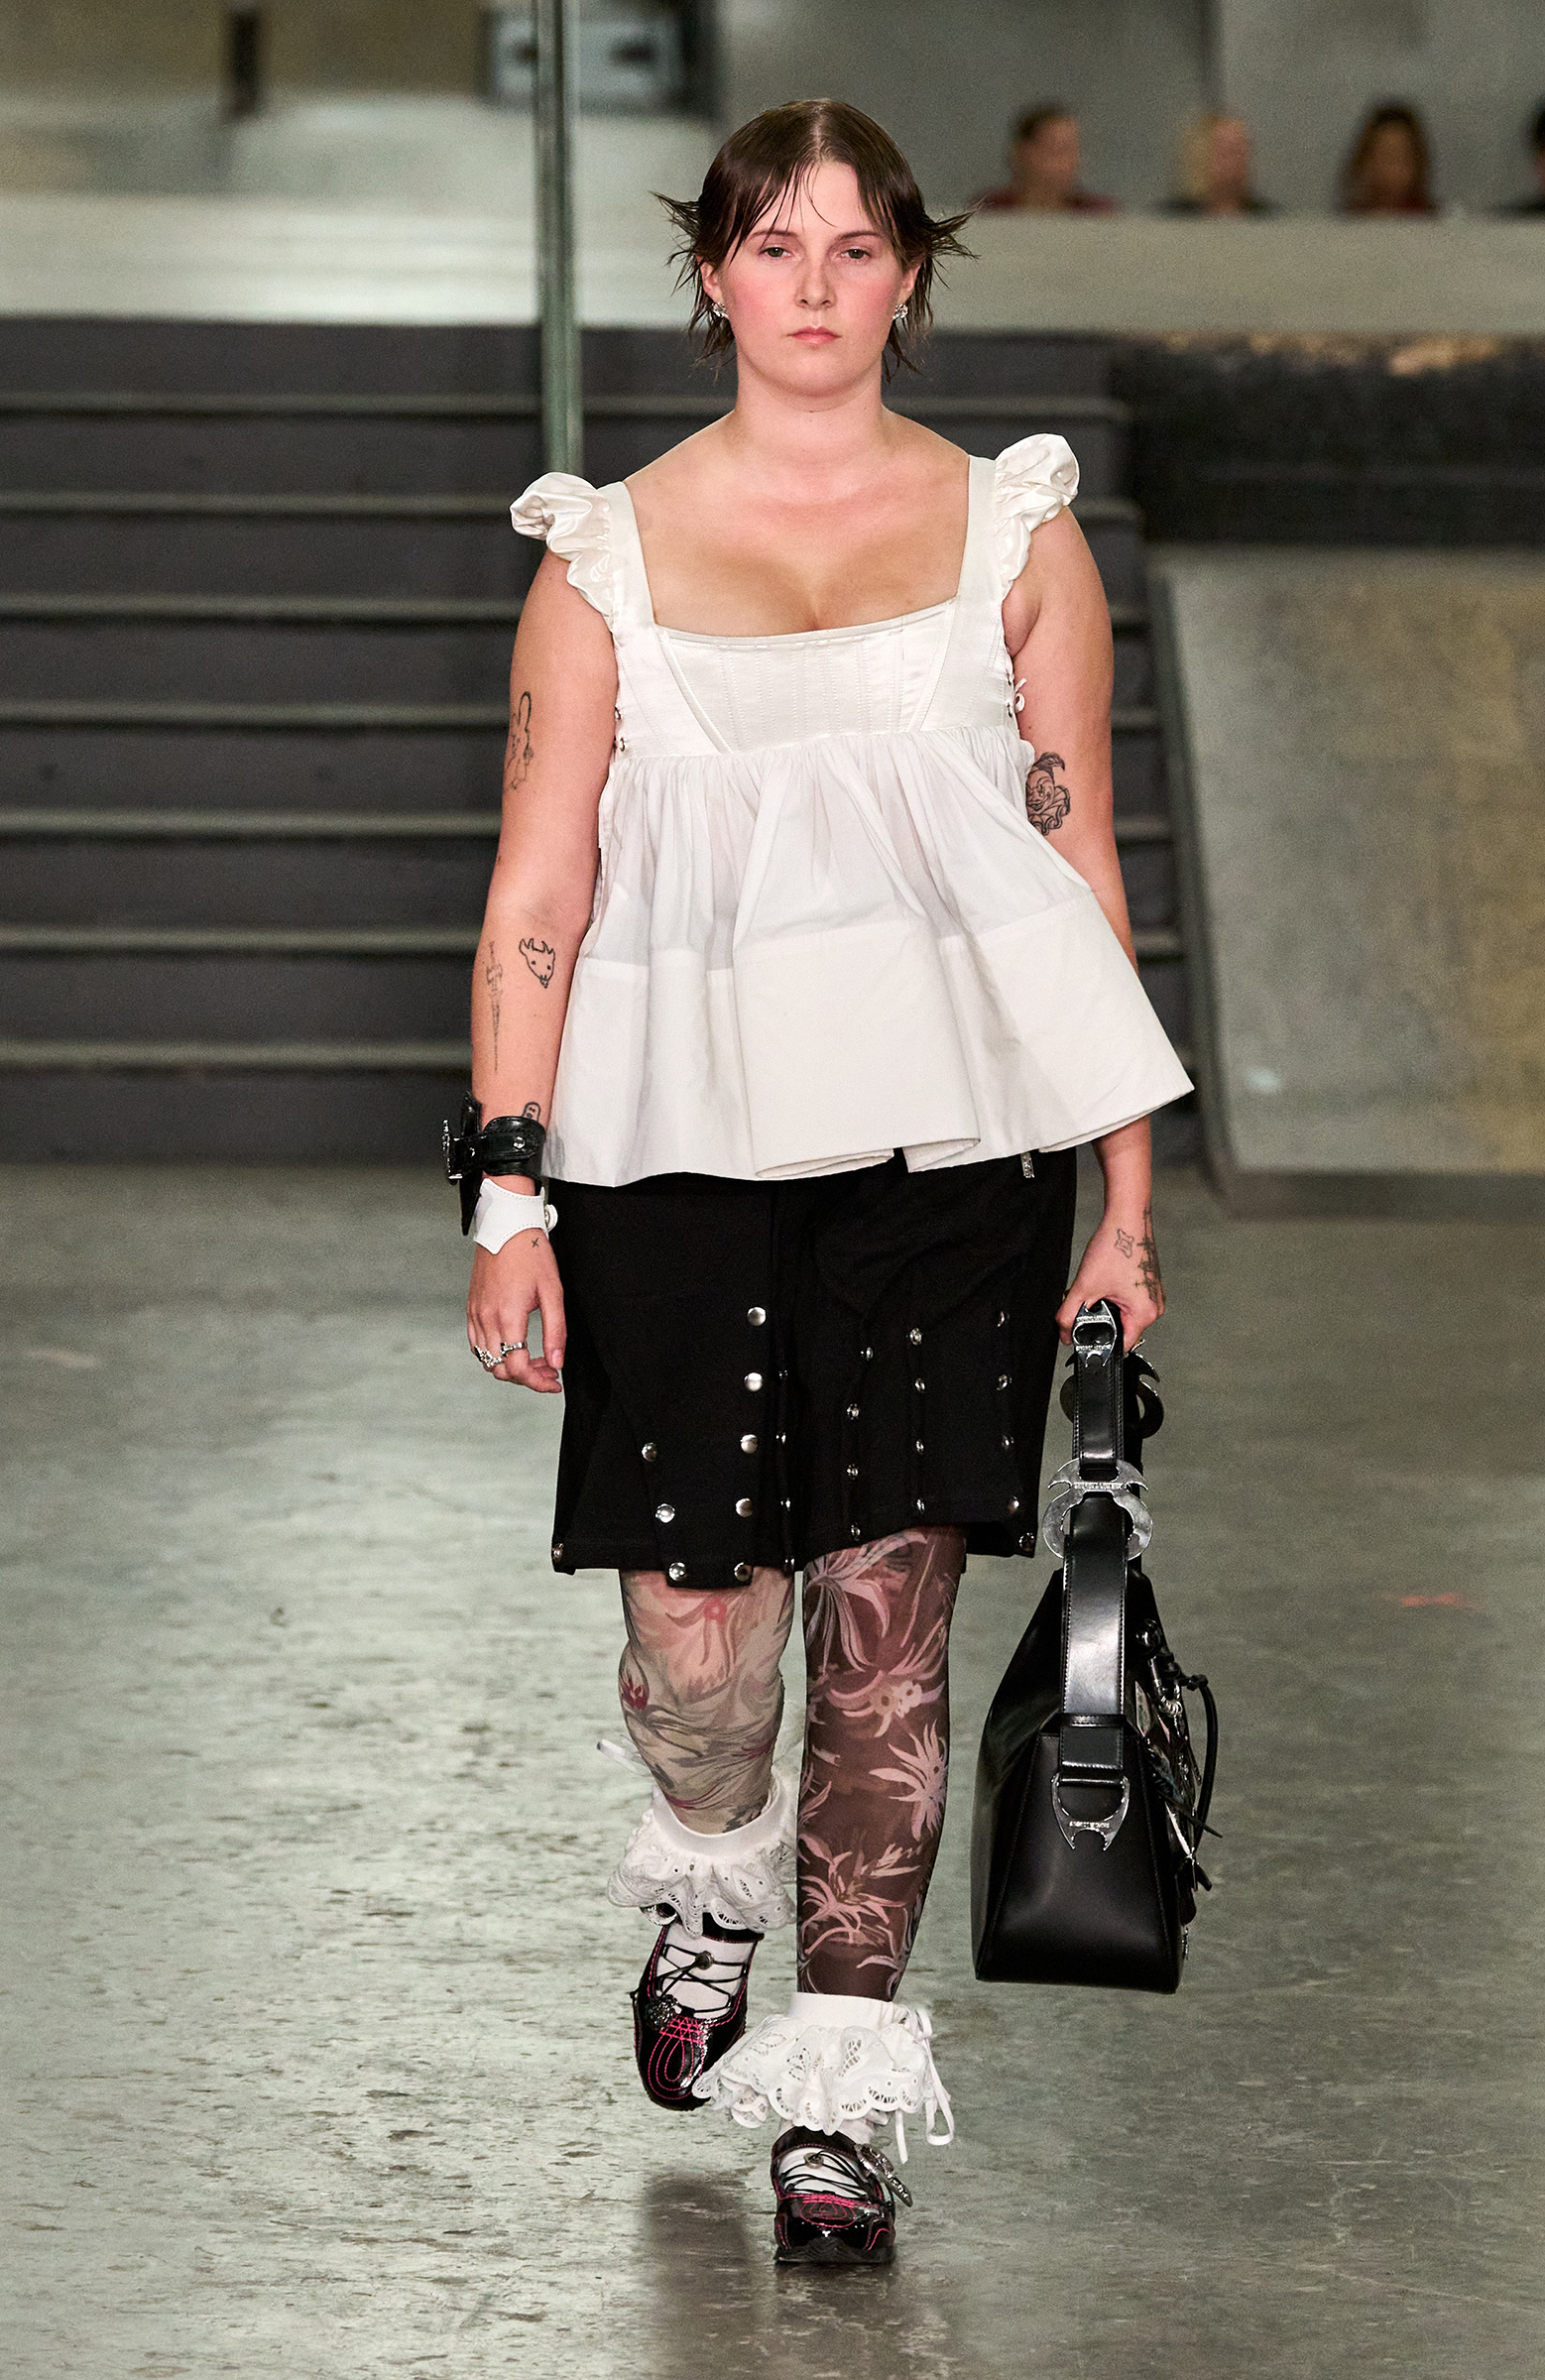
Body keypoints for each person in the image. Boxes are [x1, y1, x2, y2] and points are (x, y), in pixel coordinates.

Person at [454, 96, 1189, 2268]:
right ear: (710, 275)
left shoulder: (1009, 536)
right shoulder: (603, 557)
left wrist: (1127, 1208)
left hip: (948, 1153)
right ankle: (711, 1872)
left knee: (887, 1630)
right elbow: (537, 887)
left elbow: (1075, 872)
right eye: (771, 244)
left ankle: (845, 2093)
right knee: (703, 1654)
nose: (811, 283)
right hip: (669, 1156)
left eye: (853, 247)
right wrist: (508, 1196)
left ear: (907, 277)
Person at [977, 102, 1118, 212]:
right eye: (1056, 150)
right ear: (1022, 152)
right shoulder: (989, 211)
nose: (1068, 162)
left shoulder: (1097, 214)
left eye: (1073, 150)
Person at [1163, 110, 1274, 215]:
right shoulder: (1173, 220)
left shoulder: (1267, 219)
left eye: (1243, 151)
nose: (1239, 160)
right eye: (1229, 152)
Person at [1338, 101, 1437, 215]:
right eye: (1384, 157)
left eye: (1401, 158)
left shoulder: (1433, 220)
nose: (1393, 168)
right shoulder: (1349, 219)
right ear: (1365, 160)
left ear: (1418, 162)